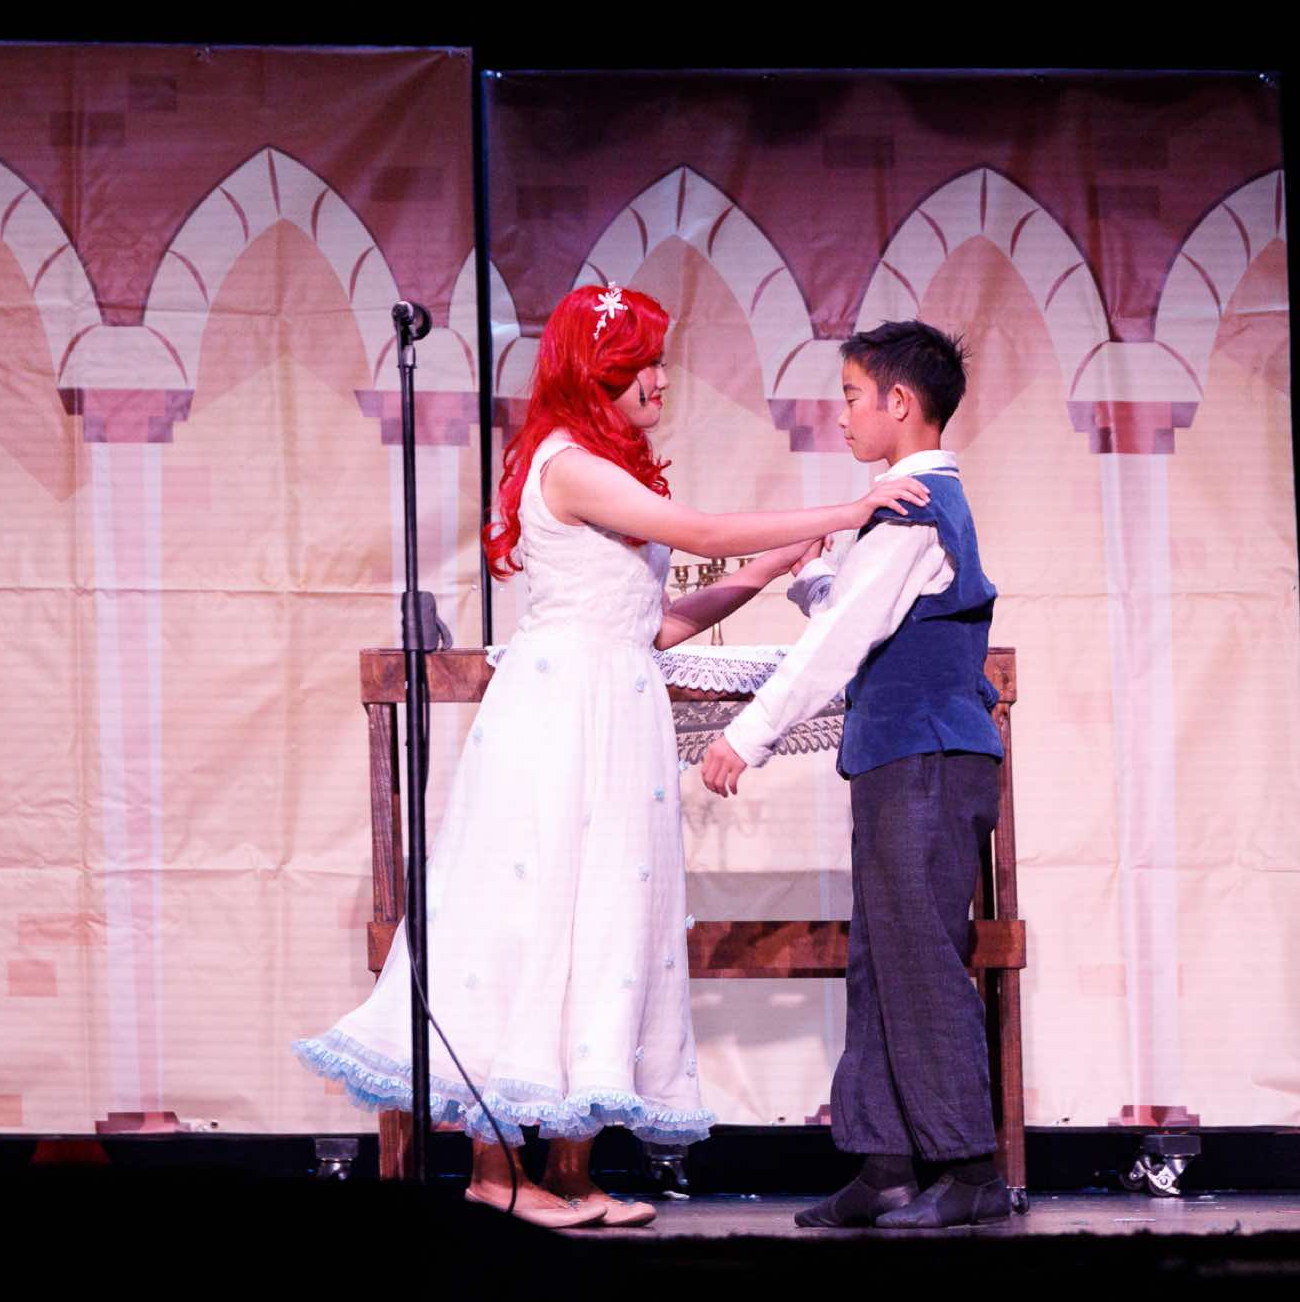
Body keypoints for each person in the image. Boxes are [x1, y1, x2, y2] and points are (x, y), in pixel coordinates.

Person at [295, 284, 929, 1228]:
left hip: (617, 709)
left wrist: (763, 574)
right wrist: (845, 509)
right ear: (594, 375)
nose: (660, 381)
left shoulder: (608, 469)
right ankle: (495, 1169)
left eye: (659, 362)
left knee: (607, 925)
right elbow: (702, 534)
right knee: (534, 913)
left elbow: (652, 623)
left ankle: (571, 1164)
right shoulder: (566, 462)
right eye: (641, 366)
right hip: (559, 715)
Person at [698, 319, 1011, 1228]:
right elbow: (859, 610)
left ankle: (971, 1167)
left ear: (898, 402)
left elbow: (842, 639)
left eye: (850, 397)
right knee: (881, 957)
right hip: (899, 758)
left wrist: (748, 734)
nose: (840, 416)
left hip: (927, 758)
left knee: (920, 958)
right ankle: (887, 1165)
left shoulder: (915, 505)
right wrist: (809, 576)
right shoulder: (906, 507)